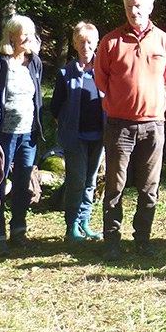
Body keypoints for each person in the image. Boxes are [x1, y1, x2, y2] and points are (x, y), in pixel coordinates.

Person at [94, 0, 166, 260]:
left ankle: (143, 240)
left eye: (139, 6)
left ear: (150, 8)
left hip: (154, 126)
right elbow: (101, 79)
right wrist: (122, 101)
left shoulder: (163, 42)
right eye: (129, 6)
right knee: (115, 186)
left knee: (149, 188)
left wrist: (148, 102)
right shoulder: (110, 42)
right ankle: (112, 241)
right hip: (120, 126)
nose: (134, 11)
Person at [0, 14, 44, 255]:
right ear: (10, 35)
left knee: (24, 184)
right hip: (4, 135)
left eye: (30, 33)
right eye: (23, 33)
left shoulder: (34, 62)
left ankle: (19, 231)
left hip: (28, 135)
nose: (28, 37)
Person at [50, 21, 106, 244]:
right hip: (76, 138)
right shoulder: (66, 73)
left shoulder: (103, 71)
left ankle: (85, 223)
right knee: (76, 182)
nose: (86, 46)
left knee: (91, 182)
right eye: (81, 41)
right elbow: (56, 107)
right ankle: (71, 226)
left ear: (96, 44)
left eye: (90, 42)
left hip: (99, 136)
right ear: (74, 43)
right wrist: (68, 125)